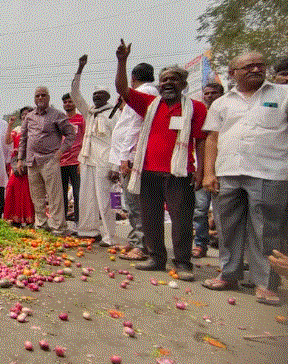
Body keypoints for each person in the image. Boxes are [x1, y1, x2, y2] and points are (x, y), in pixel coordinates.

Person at [115, 39, 208, 281]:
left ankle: (183, 263)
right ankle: (156, 258)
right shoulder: (149, 104)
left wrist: (202, 171)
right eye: (164, 80)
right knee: (151, 217)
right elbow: (123, 90)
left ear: (184, 84)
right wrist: (122, 61)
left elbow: (200, 141)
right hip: (148, 171)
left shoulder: (196, 108)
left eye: (173, 80)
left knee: (181, 220)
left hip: (179, 173)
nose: (167, 83)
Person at [202, 52, 287, 305]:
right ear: (233, 73)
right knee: (227, 226)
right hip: (228, 172)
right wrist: (208, 172)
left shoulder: (282, 95)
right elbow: (212, 138)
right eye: (248, 66)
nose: (255, 69)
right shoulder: (222, 103)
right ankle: (229, 275)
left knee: (266, 230)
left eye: (260, 64)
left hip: (270, 172)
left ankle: (266, 283)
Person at [111, 62, 159, 261]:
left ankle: (142, 246)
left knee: (135, 204)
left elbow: (134, 127)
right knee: (134, 204)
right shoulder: (149, 93)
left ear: (132, 78)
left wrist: (126, 157)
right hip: (131, 157)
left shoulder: (142, 94)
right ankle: (136, 240)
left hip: (132, 158)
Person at [70, 55, 119, 246]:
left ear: (107, 97)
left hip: (105, 161)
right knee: (86, 197)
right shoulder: (89, 111)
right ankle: (88, 230)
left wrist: (115, 165)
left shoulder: (113, 113)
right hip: (87, 159)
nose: (96, 97)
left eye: (100, 94)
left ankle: (109, 236)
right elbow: (75, 94)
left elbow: (118, 140)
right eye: (95, 94)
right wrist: (80, 69)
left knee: (105, 199)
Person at [18, 86, 75, 232]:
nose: (40, 98)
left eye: (43, 95)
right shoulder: (29, 116)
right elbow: (23, 138)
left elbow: (70, 135)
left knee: (54, 195)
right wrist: (20, 159)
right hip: (32, 161)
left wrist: (60, 152)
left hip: (50, 160)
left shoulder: (57, 115)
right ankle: (41, 223)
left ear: (49, 97)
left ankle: (58, 226)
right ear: (34, 98)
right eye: (37, 96)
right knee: (37, 196)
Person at [191, 82, 224, 258]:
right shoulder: (200, 114)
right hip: (203, 169)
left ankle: (228, 251)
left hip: (224, 169)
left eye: (214, 93)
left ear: (222, 94)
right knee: (200, 210)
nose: (210, 96)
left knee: (222, 213)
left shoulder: (226, 111)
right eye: (207, 93)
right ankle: (200, 244)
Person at [3, 106, 34, 226]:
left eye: (28, 114)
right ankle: (14, 218)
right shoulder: (17, 129)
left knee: (27, 191)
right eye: (23, 114)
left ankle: (29, 219)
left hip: (30, 162)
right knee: (12, 188)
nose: (25, 116)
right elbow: (7, 141)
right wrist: (10, 125)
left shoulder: (35, 129)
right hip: (16, 163)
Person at [60, 93, 85, 222]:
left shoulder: (81, 119)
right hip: (61, 162)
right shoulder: (60, 120)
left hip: (76, 161)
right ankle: (62, 223)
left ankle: (79, 222)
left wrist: (83, 159)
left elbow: (86, 139)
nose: (68, 104)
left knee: (77, 193)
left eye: (70, 102)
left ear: (75, 103)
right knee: (62, 194)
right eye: (65, 102)